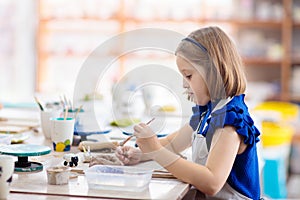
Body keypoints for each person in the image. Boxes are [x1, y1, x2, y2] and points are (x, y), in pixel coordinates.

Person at [115, 26, 261, 199]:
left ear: (214, 71)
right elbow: (174, 143)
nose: (184, 85)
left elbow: (212, 182)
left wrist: (155, 149)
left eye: (189, 76)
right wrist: (141, 154)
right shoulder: (208, 112)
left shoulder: (230, 121)